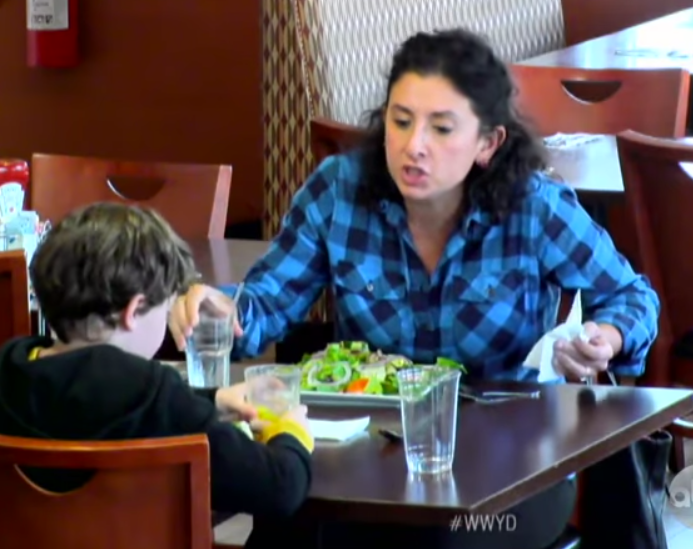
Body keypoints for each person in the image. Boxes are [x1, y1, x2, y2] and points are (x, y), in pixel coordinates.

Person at [171, 29, 660, 549]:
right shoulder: (339, 189)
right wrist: (222, 311)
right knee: (283, 519)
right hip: (366, 460)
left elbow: (634, 298)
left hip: (509, 471)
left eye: (442, 128)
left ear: (487, 143)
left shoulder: (532, 206)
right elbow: (266, 303)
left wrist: (605, 336)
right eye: (400, 122)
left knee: (439, 541)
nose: (414, 146)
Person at [0, 202, 314, 527]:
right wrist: (292, 433)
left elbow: (85, 399)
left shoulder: (6, 370)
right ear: (134, 310)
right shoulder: (148, 392)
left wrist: (210, 398)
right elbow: (279, 488)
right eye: (167, 306)